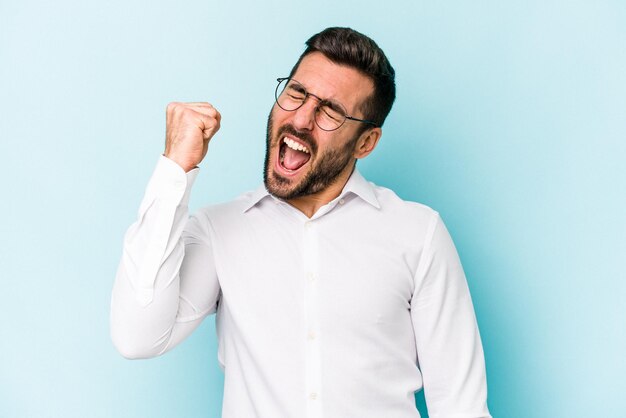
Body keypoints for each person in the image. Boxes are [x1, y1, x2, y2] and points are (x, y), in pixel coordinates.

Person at [111, 27, 492, 418]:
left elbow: (461, 407)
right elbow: (136, 337)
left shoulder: (418, 234)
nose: (301, 119)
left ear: (366, 142)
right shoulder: (219, 230)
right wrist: (175, 168)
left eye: (331, 111)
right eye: (296, 92)